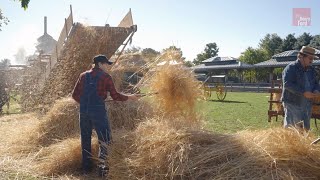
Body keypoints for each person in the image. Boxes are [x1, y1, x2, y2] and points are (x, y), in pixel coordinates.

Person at [72, 54, 139, 176]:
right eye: (107, 64)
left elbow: (75, 95)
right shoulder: (105, 77)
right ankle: (102, 170)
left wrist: (86, 103)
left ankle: (86, 169)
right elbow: (115, 96)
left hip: (84, 111)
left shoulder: (83, 76)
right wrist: (130, 97)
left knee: (85, 139)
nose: (108, 67)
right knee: (104, 139)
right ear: (100, 64)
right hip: (98, 111)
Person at [281, 46, 320, 131]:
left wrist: (316, 90)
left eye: (313, 58)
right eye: (310, 58)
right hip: (293, 104)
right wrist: (303, 92)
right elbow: (287, 84)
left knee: (305, 130)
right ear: (301, 56)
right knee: (292, 131)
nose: (312, 60)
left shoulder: (312, 70)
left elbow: (316, 83)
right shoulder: (291, 68)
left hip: (307, 105)